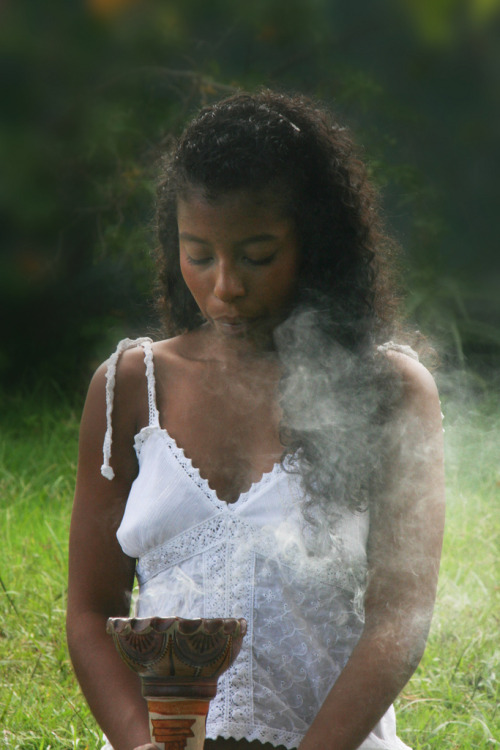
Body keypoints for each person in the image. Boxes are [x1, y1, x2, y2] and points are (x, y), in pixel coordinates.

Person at [66, 90, 445, 750]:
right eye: (199, 254)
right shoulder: (130, 388)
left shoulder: (389, 394)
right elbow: (91, 610)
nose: (225, 286)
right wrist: (142, 743)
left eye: (258, 254)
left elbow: (400, 616)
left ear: (316, 243)